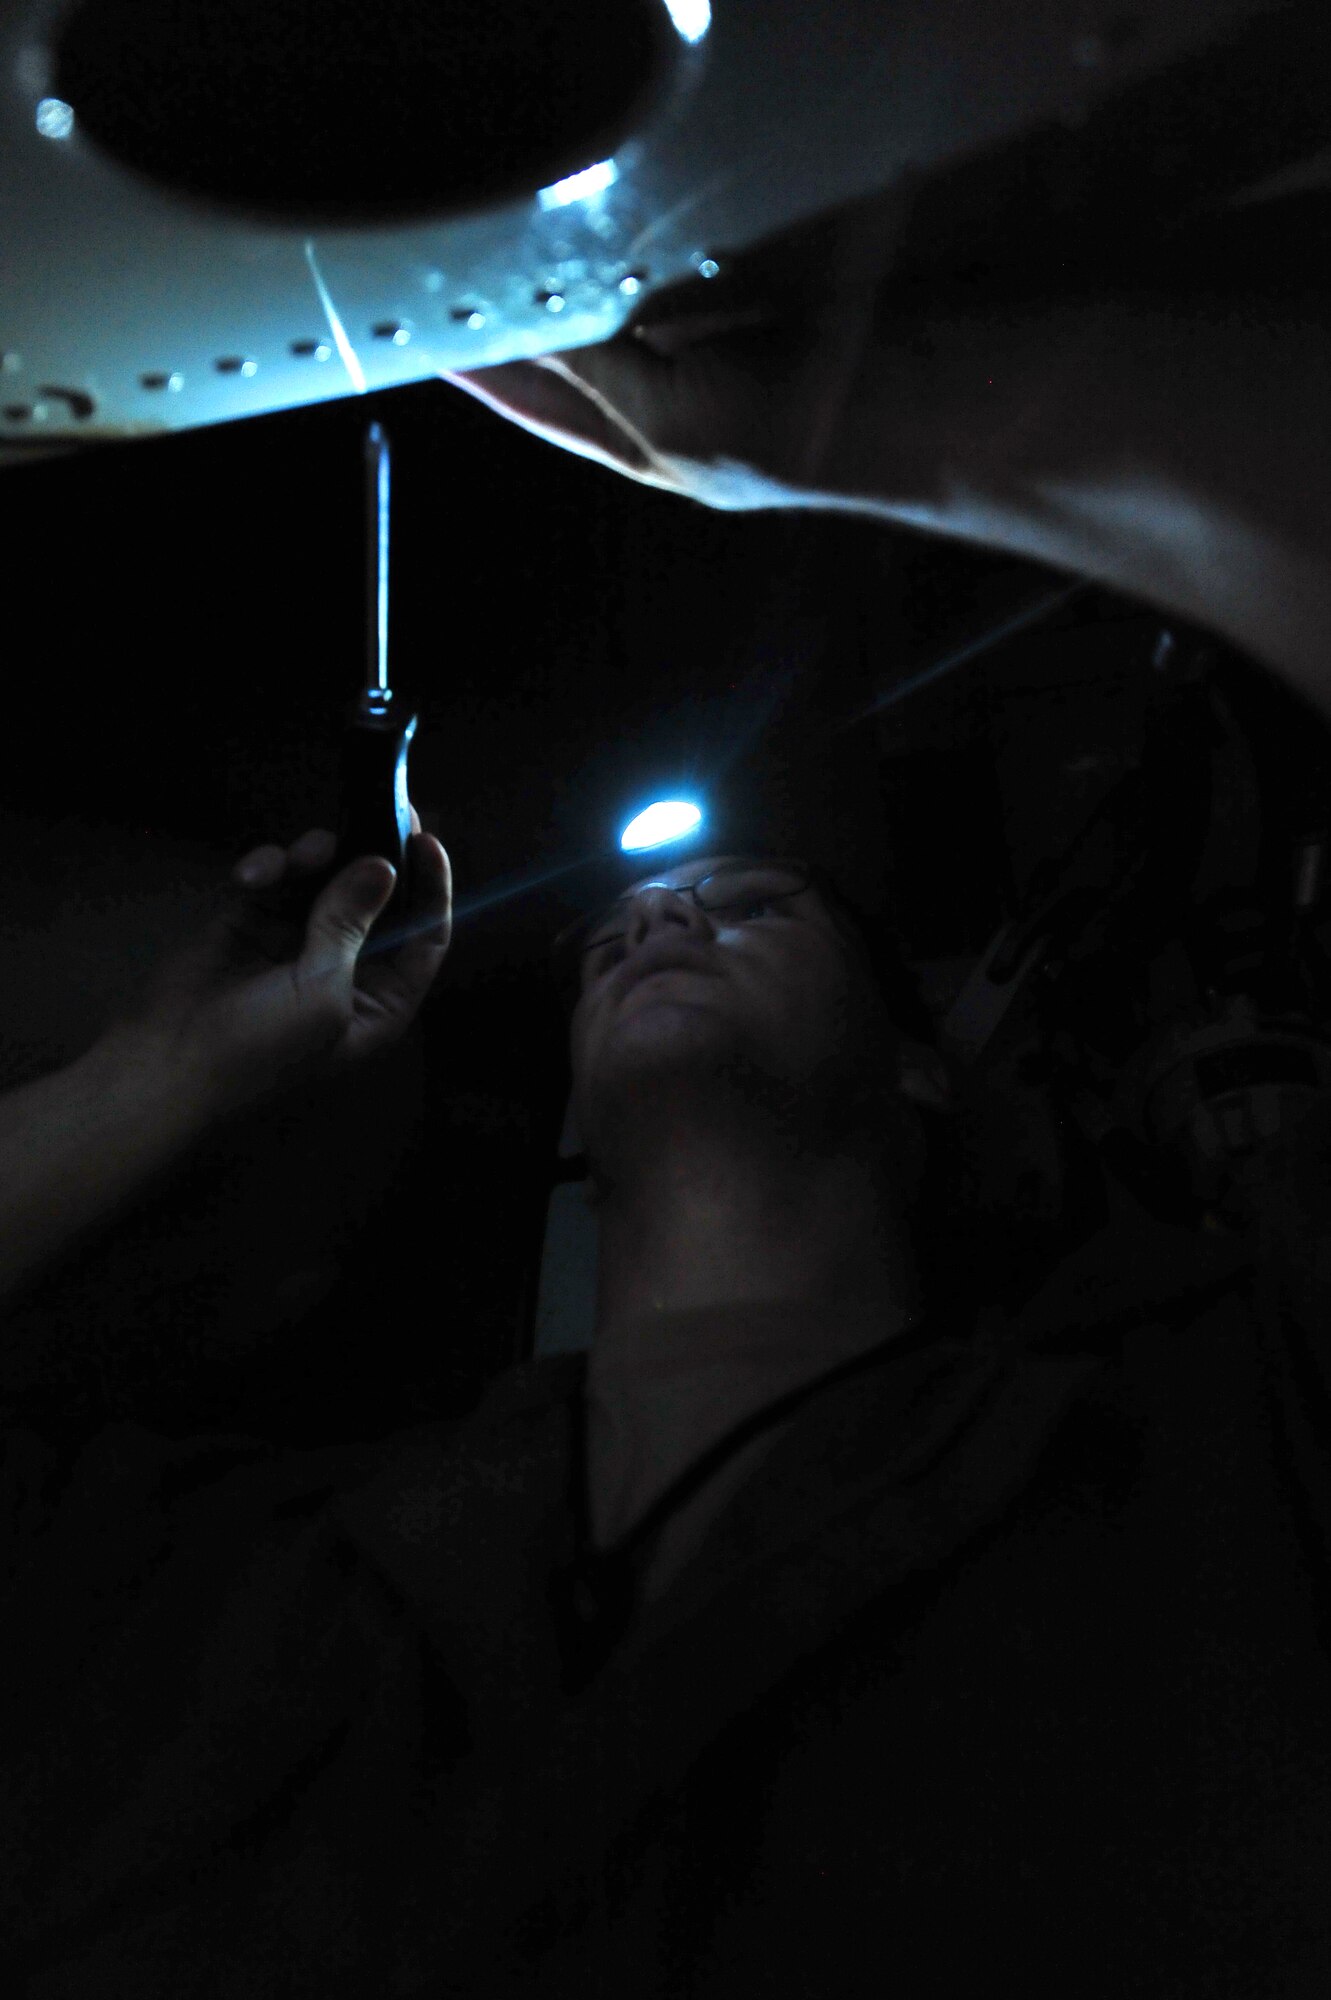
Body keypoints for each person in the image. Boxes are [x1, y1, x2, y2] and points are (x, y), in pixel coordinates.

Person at [2, 182, 1331, 1996]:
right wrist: (159, 1072)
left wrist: (890, 424)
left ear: (930, 1067)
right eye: (639, 918)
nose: (673, 911)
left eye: (753, 902)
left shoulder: (1227, 1461)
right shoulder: (265, 1584)